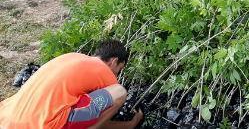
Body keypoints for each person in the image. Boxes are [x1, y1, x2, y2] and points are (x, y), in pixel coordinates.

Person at [0, 40, 143, 128]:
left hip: (9, 118)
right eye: (119, 70)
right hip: (45, 125)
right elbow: (98, 121)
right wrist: (131, 124)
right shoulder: (103, 70)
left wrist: (128, 125)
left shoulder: (73, 57)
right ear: (114, 61)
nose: (116, 75)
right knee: (119, 92)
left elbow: (87, 118)